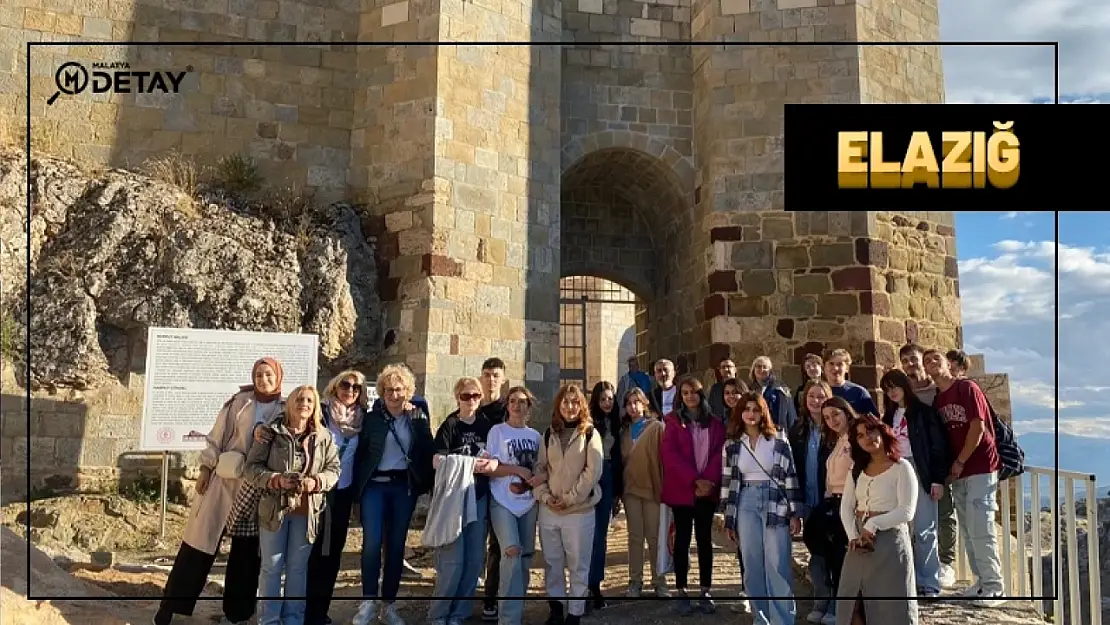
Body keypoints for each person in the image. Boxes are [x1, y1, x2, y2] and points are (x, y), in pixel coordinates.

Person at [154, 357, 284, 625]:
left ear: (278, 377)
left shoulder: (285, 408)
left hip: (256, 487)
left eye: (269, 374)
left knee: (246, 554)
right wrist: (205, 468)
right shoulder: (240, 402)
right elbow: (217, 436)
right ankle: (171, 606)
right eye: (259, 374)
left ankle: (237, 614)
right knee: (198, 544)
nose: (263, 380)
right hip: (224, 480)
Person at [248, 385, 341, 625]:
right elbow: (251, 468)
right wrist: (276, 479)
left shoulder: (324, 437)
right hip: (274, 511)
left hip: (307, 512)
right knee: (271, 567)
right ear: (290, 403)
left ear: (316, 406)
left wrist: (316, 482)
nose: (305, 404)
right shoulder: (271, 432)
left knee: (298, 569)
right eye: (300, 399)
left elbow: (334, 470)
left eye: (310, 400)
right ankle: (268, 620)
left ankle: (293, 620)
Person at [350, 364, 436, 625]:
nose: (394, 395)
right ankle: (367, 602)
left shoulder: (418, 416)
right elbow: (362, 451)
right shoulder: (374, 418)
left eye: (399, 390)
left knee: (396, 546)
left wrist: (418, 423)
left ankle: (389, 605)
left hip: (402, 487)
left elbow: (427, 448)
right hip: (375, 485)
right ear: (382, 392)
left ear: (408, 391)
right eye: (389, 390)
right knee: (372, 543)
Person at [924, 349, 1006, 607]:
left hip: (980, 466)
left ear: (948, 363)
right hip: (958, 472)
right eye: (927, 361)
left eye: (935, 358)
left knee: (982, 526)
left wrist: (960, 461)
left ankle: (994, 586)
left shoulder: (966, 388)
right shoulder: (939, 401)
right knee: (969, 530)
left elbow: (977, 426)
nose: (931, 363)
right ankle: (981, 582)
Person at [722, 391, 803, 625]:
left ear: (763, 412)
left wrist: (795, 512)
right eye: (746, 409)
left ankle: (783, 620)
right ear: (740, 413)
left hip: (775, 500)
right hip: (745, 500)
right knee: (752, 562)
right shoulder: (732, 444)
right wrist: (729, 519)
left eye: (755, 409)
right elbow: (728, 482)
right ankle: (761, 619)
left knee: (777, 562)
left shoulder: (778, 439)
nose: (751, 414)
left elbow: (790, 476)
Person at [427, 377, 500, 625]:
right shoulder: (450, 425)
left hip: (478, 497)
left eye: (475, 396)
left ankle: (460, 613)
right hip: (454, 499)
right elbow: (437, 460)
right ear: (457, 397)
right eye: (466, 396)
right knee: (452, 559)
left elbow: (494, 459)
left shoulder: (487, 425)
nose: (471, 400)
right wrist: (469, 464)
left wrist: (489, 465)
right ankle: (439, 614)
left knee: (474, 559)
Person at [836, 413, 920, 625]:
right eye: (860, 435)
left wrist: (873, 525)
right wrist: (854, 536)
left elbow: (907, 511)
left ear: (882, 431)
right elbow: (846, 508)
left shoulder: (902, 467)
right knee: (852, 603)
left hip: (890, 543)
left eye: (871, 431)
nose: (867, 438)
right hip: (858, 543)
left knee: (890, 606)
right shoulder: (857, 471)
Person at [533, 384, 604, 625]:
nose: (570, 407)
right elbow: (540, 469)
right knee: (553, 563)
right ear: (558, 405)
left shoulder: (590, 434)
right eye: (565, 402)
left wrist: (570, 498)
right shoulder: (548, 434)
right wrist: (544, 496)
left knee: (577, 563)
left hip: (578, 511)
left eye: (575, 402)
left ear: (581, 405)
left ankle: (575, 612)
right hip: (550, 510)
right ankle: (556, 609)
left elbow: (592, 471)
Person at [304, 370, 370, 625]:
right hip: (315, 492)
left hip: (341, 494)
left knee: (331, 555)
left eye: (356, 387)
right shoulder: (319, 413)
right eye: (346, 384)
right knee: (309, 552)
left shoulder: (362, 420)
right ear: (335, 385)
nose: (350, 390)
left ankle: (320, 612)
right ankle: (301, 611)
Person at [659, 375, 726, 616]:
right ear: (680, 396)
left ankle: (705, 590)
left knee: (704, 540)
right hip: (683, 490)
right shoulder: (673, 422)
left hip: (707, 490)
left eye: (694, 392)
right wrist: (693, 480)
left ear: (701, 394)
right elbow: (670, 454)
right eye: (685, 392)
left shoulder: (716, 424)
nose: (690, 396)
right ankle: (682, 590)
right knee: (683, 540)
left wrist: (708, 481)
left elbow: (720, 453)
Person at [880, 368, 950, 598]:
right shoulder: (889, 417)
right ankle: (906, 580)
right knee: (900, 529)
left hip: (921, 471)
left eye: (895, 387)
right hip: (896, 471)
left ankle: (929, 581)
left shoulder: (924, 413)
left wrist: (938, 479)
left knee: (925, 528)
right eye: (887, 389)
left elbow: (938, 447)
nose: (892, 392)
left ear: (905, 386)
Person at [486, 386, 545, 625]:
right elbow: (489, 468)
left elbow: (541, 467)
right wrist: (516, 469)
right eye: (512, 401)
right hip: (502, 501)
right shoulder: (497, 432)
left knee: (525, 557)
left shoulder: (536, 436)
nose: (516, 405)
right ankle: (508, 619)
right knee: (510, 551)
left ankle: (516, 610)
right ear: (507, 406)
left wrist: (538, 477)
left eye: (522, 402)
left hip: (528, 503)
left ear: (528, 407)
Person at [790, 379, 836, 625]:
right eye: (812, 397)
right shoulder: (797, 430)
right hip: (808, 501)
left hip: (831, 502)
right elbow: (792, 469)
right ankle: (821, 599)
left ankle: (837, 605)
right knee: (816, 554)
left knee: (835, 554)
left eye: (821, 396)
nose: (816, 401)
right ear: (805, 401)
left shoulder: (836, 429)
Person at [617, 387, 667, 598]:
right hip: (630, 490)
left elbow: (665, 460)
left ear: (645, 404)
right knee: (635, 537)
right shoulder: (623, 432)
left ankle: (660, 581)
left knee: (655, 537)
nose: (633, 407)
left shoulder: (657, 428)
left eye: (637, 402)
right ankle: (635, 581)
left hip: (653, 488)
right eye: (629, 403)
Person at [586, 381, 623, 611]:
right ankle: (582, 585)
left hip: (609, 477)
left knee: (600, 535)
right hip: (591, 475)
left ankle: (594, 585)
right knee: (585, 535)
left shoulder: (619, 423)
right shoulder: (588, 425)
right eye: (603, 399)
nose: (607, 403)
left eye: (610, 398)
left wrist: (617, 492)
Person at [477, 357, 509, 623]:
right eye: (487, 374)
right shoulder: (473, 406)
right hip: (475, 485)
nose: (491, 379)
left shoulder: (508, 410)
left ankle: (491, 597)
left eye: (496, 374)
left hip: (500, 484)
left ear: (503, 378)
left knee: (497, 544)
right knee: (475, 541)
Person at [748, 356, 797, 431]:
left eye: (765, 367)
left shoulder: (780, 388)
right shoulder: (749, 390)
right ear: (753, 370)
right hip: (755, 430)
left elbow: (790, 412)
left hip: (776, 430)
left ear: (770, 371)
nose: (761, 369)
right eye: (758, 366)